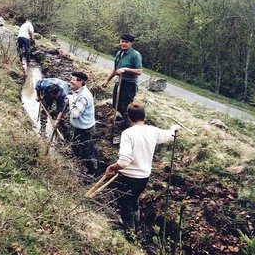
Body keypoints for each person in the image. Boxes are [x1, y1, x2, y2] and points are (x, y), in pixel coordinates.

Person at [104, 103, 180, 234]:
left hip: (128, 178)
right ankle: (136, 226)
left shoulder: (128, 134)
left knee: (125, 204)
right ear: (144, 116)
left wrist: (112, 167)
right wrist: (173, 129)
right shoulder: (153, 131)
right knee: (134, 200)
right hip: (144, 178)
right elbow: (169, 135)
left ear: (128, 117)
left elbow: (124, 161)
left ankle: (129, 232)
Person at [102, 34, 142, 128]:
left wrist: (125, 69)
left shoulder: (135, 55)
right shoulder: (119, 53)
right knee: (117, 104)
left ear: (131, 43)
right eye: (122, 41)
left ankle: (130, 127)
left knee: (126, 107)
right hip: (119, 82)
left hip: (129, 85)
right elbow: (116, 69)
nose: (123, 44)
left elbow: (139, 71)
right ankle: (122, 123)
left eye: (126, 42)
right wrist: (107, 80)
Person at [67, 71, 97, 176]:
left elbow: (75, 114)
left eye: (73, 80)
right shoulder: (78, 91)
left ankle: (92, 174)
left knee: (88, 153)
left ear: (81, 82)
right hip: (79, 128)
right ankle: (77, 168)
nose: (71, 81)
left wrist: (70, 100)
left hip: (86, 130)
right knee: (75, 147)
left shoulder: (84, 96)